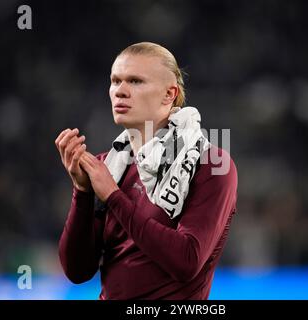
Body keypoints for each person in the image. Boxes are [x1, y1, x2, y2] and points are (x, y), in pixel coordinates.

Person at [55, 42, 238, 299]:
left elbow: (186, 261)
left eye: (135, 81)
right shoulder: (107, 167)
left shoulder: (211, 164)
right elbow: (77, 271)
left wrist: (113, 197)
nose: (120, 91)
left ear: (169, 94)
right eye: (115, 81)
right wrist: (82, 192)